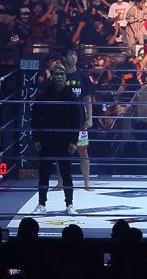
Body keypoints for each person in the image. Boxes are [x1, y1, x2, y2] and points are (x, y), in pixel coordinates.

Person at [31, 63, 84, 215]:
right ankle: (41, 204)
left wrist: (74, 141)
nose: (59, 76)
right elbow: (35, 118)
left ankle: (69, 204)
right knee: (45, 173)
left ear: (65, 77)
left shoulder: (71, 96)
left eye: (62, 74)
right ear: (51, 76)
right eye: (56, 74)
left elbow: (76, 120)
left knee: (66, 173)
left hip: (65, 140)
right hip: (47, 139)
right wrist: (36, 138)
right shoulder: (42, 95)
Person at [61, 47, 95, 190]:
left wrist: (90, 117)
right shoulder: (60, 76)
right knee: (61, 151)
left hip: (79, 119)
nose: (73, 57)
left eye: (75, 54)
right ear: (64, 57)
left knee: (83, 151)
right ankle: (60, 182)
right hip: (62, 119)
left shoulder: (82, 76)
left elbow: (88, 98)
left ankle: (87, 182)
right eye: (70, 54)